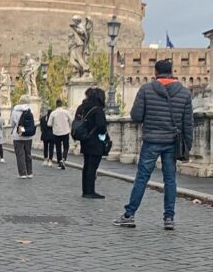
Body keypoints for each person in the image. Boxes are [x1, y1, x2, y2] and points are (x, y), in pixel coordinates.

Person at [116, 59, 193, 231]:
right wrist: (188, 145)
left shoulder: (146, 89)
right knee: (170, 180)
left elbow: (136, 116)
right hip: (172, 142)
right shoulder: (185, 93)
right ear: (172, 71)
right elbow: (188, 123)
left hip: (151, 141)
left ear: (155, 72)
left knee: (142, 178)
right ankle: (169, 218)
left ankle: (129, 215)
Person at [76, 86, 109, 198]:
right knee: (92, 167)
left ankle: (86, 190)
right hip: (95, 141)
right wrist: (103, 133)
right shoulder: (98, 110)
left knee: (87, 166)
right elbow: (101, 126)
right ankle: (90, 191)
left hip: (85, 139)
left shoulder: (83, 108)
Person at [9, 99, 35, 178]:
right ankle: (30, 173)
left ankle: (22, 173)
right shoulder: (30, 110)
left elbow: (12, 123)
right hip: (28, 135)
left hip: (18, 136)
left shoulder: (15, 111)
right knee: (28, 154)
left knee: (20, 155)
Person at [48, 99, 73, 168]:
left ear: (56, 105)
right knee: (66, 146)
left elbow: (49, 124)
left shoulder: (53, 113)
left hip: (56, 132)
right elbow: (71, 121)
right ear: (61, 104)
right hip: (65, 131)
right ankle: (64, 158)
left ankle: (59, 161)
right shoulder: (66, 112)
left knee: (58, 147)